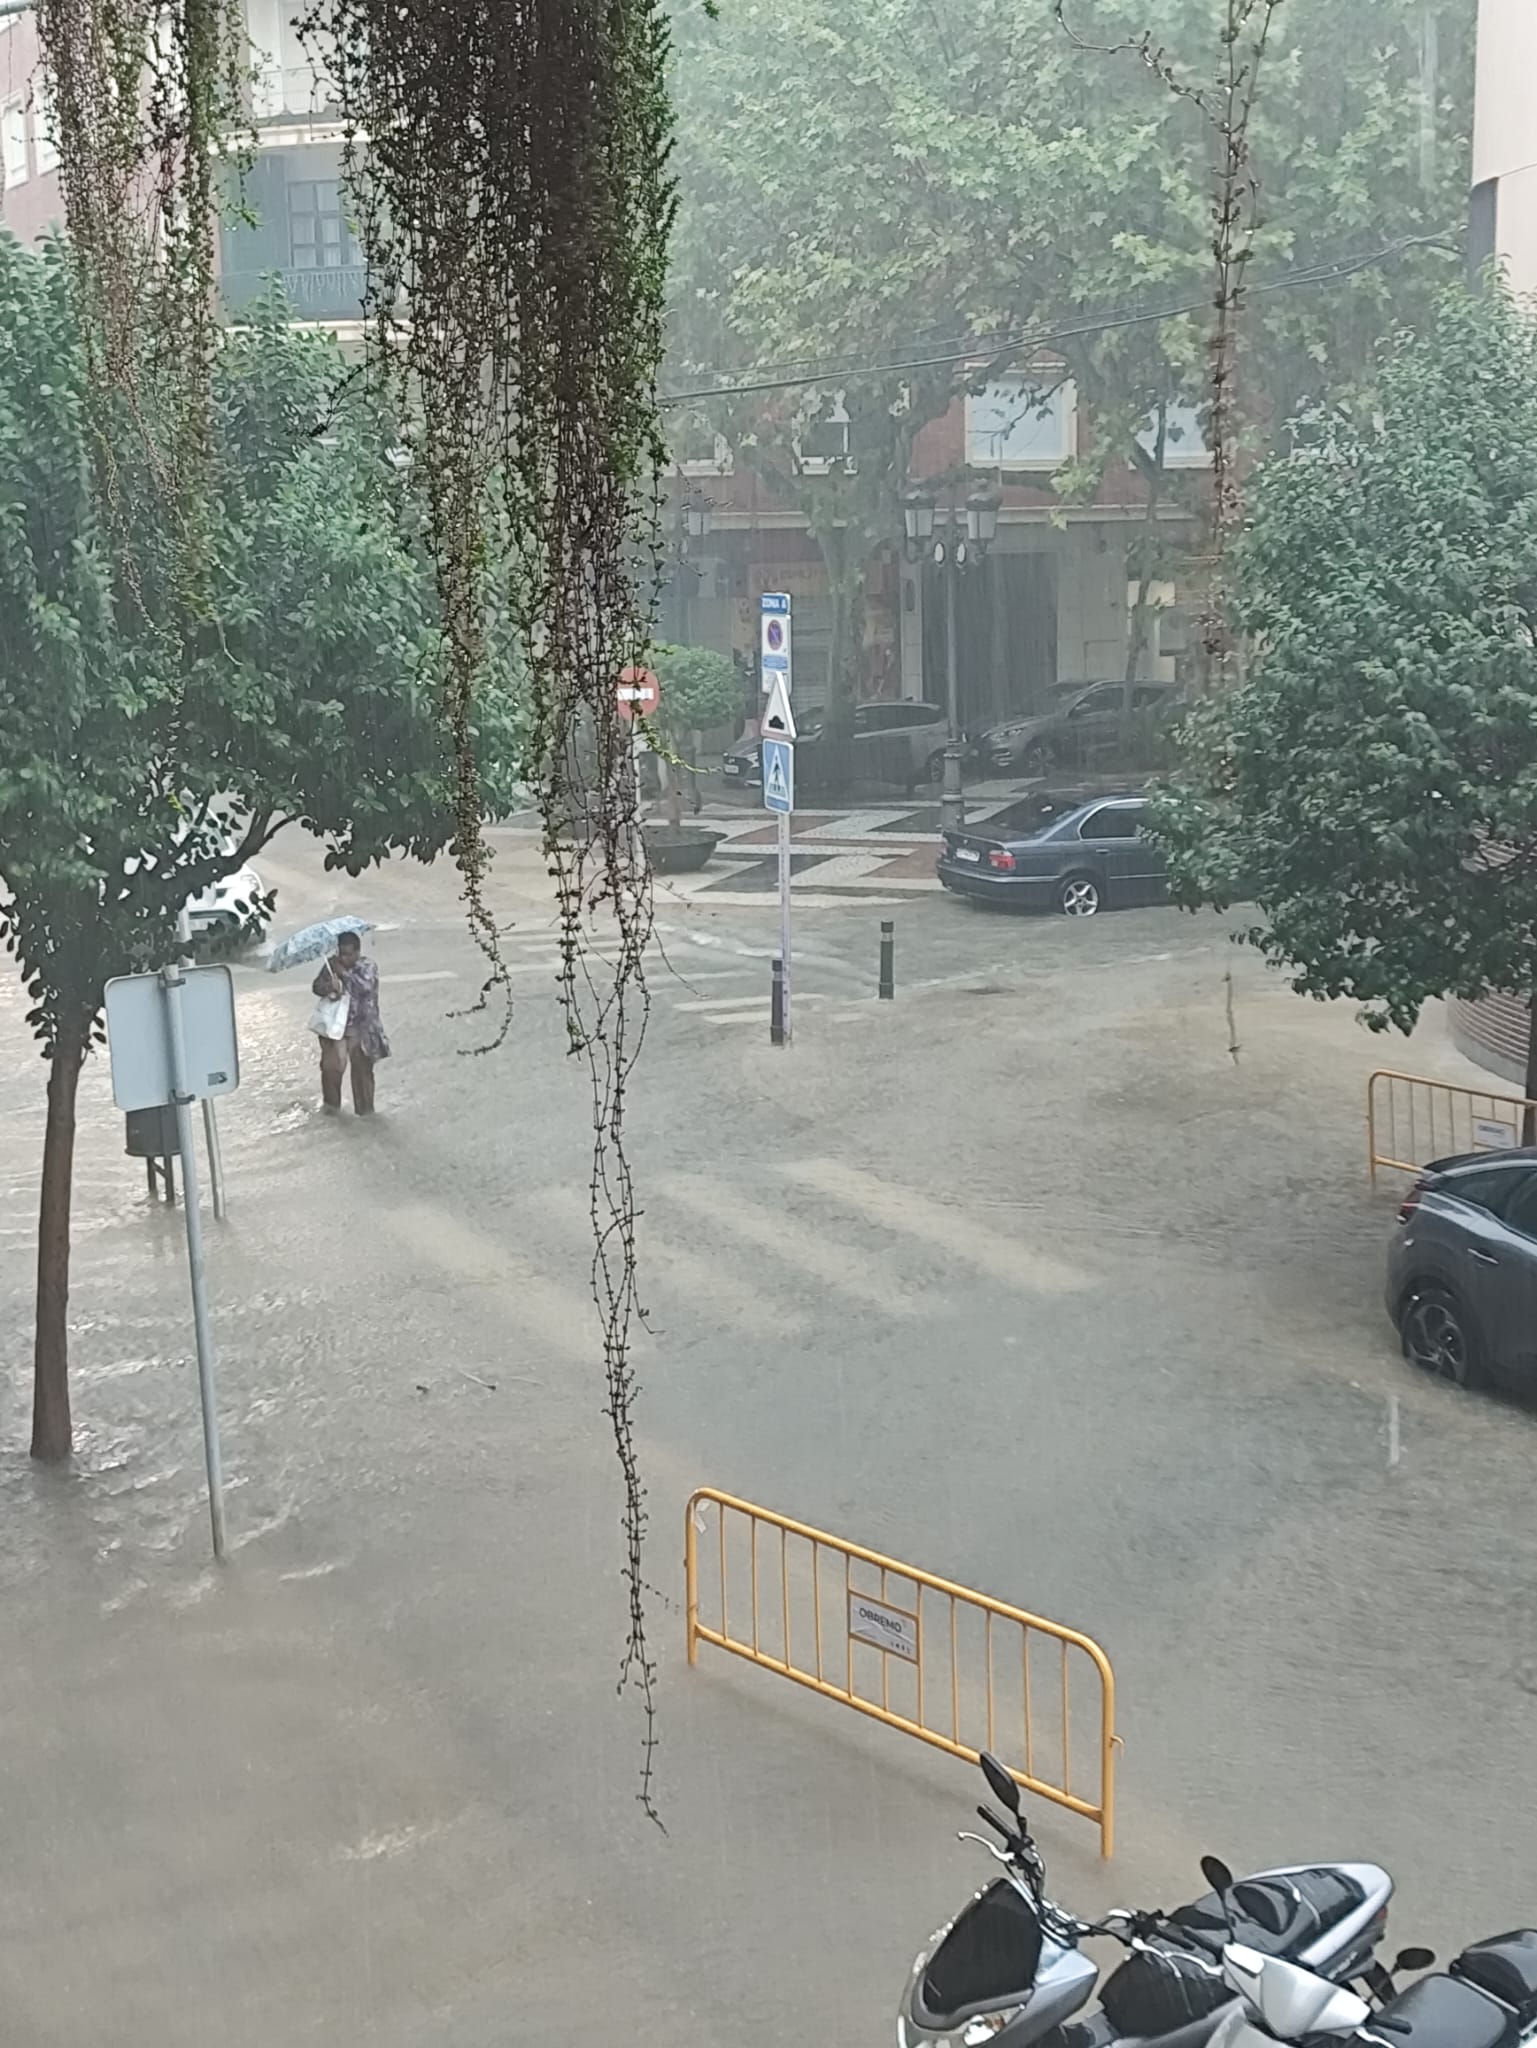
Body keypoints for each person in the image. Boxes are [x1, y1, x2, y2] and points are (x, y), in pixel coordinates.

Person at [312, 932, 390, 1115]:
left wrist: (343, 974)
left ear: (357, 952)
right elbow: (316, 987)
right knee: (331, 1069)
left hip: (361, 1029)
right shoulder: (331, 965)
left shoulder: (368, 966)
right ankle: (332, 1110)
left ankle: (366, 1113)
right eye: (341, 953)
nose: (343, 958)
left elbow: (365, 987)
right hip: (335, 1028)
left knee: (362, 1074)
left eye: (347, 954)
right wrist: (329, 987)